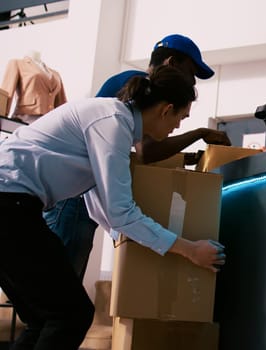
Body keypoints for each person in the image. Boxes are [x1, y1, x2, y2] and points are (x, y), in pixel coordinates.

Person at [0, 65, 226, 350]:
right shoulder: (113, 122)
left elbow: (99, 204)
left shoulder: (114, 121)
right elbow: (120, 212)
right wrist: (189, 249)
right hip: (9, 203)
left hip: (13, 203)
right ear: (166, 110)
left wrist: (127, 244)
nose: (177, 127)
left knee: (44, 319)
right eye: (181, 117)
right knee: (71, 315)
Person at [43, 34, 231, 281]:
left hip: (75, 194)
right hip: (70, 198)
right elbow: (147, 152)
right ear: (171, 63)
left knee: (63, 298)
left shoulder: (127, 103)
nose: (192, 82)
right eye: (190, 73)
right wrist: (199, 133)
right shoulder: (129, 98)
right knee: (60, 296)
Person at [0, 50, 67, 124]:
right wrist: (2, 117)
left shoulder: (55, 73)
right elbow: (7, 91)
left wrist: (66, 123)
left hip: (50, 121)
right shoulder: (17, 63)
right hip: (26, 118)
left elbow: (62, 104)